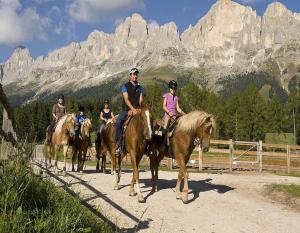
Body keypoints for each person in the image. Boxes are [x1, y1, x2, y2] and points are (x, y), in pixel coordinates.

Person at [114, 67, 143, 155]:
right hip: (126, 110)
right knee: (119, 122)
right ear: (130, 76)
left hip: (137, 110)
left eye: (136, 74)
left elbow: (141, 100)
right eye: (134, 74)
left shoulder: (140, 87)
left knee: (147, 122)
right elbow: (126, 99)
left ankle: (147, 146)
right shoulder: (125, 86)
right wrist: (132, 109)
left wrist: (139, 109)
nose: (135, 76)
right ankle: (117, 144)